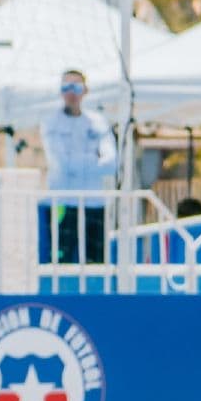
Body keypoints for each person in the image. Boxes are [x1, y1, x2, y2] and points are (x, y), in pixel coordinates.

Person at [40, 68, 118, 265]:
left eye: (76, 87)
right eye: (66, 87)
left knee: (96, 264)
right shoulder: (50, 123)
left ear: (85, 91)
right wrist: (93, 158)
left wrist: (77, 160)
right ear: (60, 91)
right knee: (60, 262)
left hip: (94, 203)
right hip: (62, 203)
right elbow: (61, 163)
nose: (71, 92)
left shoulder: (97, 122)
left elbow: (111, 163)